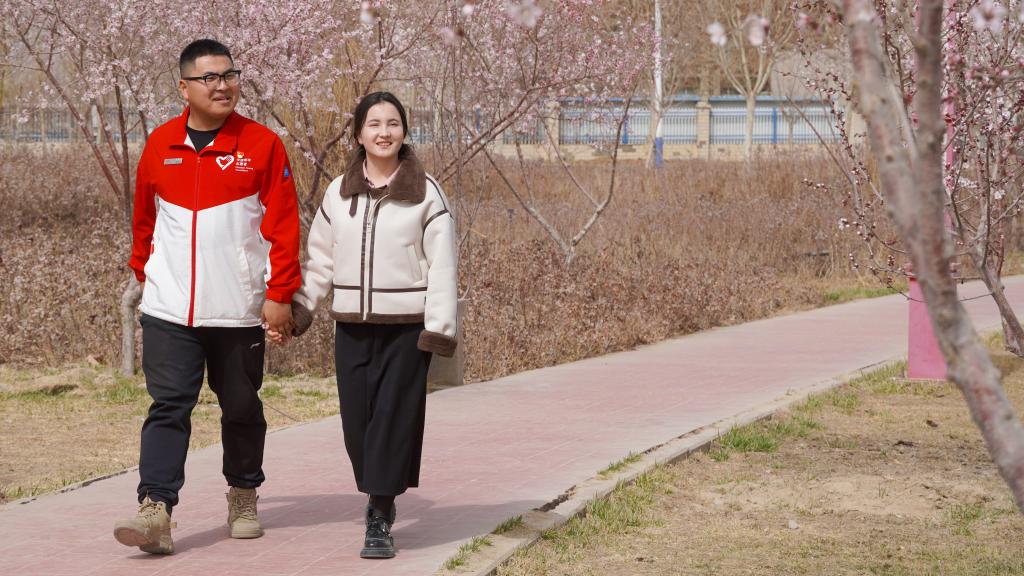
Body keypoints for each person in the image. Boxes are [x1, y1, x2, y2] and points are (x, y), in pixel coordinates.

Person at [113, 38, 301, 555]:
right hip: (169, 308)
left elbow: (284, 225)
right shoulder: (160, 144)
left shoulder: (262, 144)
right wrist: (147, 274)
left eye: (230, 75)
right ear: (184, 87)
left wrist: (280, 293)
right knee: (168, 405)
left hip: (237, 309)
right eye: (210, 78)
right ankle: (155, 508)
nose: (223, 86)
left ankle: (243, 494)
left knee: (240, 406)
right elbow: (144, 220)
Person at [280, 91, 458, 559]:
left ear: (405, 131)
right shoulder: (339, 192)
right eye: (374, 124)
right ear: (358, 133)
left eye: (393, 123)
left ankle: (379, 513)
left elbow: (443, 266)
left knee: (393, 420)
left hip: (406, 328)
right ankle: (380, 491)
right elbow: (321, 259)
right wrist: (301, 308)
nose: (384, 132)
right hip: (352, 326)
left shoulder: (426, 193)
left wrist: (439, 329)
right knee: (357, 425)